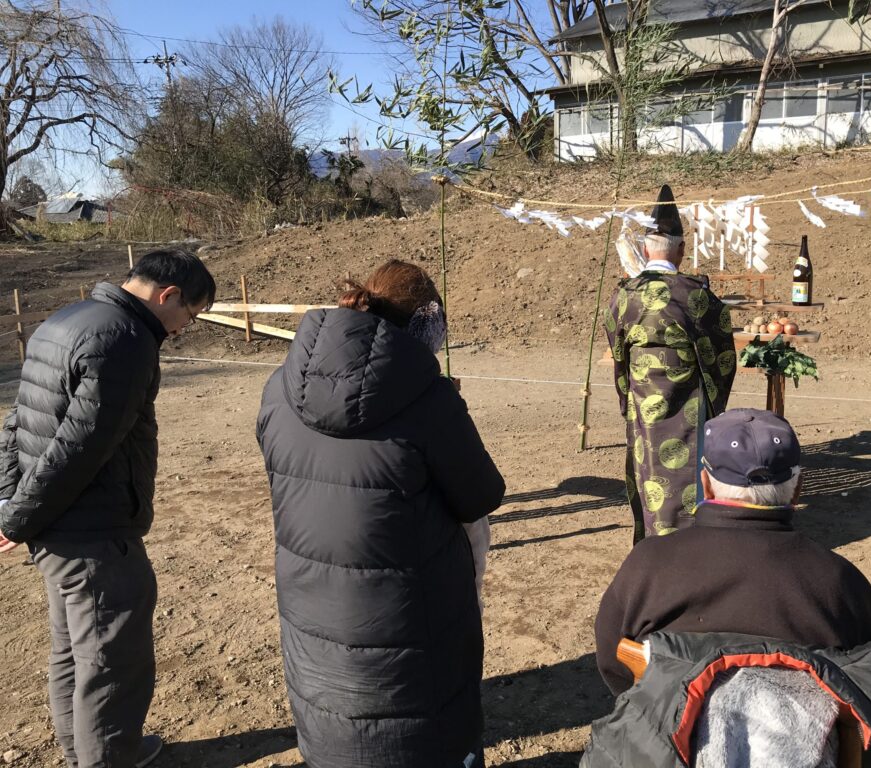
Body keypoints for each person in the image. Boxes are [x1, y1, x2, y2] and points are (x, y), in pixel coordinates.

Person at [256, 259, 505, 768]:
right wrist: (447, 415)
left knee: (334, 725)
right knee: (421, 732)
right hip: (408, 617)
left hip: (309, 607)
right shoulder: (430, 400)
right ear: (425, 325)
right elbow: (481, 495)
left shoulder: (278, 388)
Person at [0, 250, 216, 768]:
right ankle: (107, 758)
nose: (185, 329)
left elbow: (17, 424)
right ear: (169, 296)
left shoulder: (63, 319)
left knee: (75, 652)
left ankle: (91, 752)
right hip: (92, 531)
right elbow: (80, 447)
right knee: (114, 663)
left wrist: (10, 502)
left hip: (57, 529)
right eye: (190, 315)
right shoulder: (125, 339)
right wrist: (15, 517)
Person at [594, 408, 871, 697]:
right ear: (798, 488)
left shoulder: (649, 563)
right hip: (801, 743)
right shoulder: (839, 580)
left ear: (705, 484)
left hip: (669, 739)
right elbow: (870, 679)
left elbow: (613, 662)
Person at [606, 185, 736, 544]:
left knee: (648, 472)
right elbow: (721, 353)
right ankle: (691, 547)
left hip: (644, 409)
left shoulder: (624, 295)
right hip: (689, 410)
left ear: (646, 249)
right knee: (689, 475)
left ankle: (651, 544)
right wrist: (715, 399)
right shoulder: (695, 294)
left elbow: (618, 354)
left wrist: (628, 395)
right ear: (681, 249)